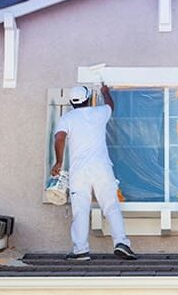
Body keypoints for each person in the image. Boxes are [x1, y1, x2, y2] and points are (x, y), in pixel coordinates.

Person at [51, 84, 137, 261]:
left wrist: (58, 162)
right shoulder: (99, 113)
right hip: (102, 168)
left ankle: (80, 250)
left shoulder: (67, 118)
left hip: (79, 172)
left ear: (71, 102)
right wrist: (106, 93)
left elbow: (59, 137)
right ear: (88, 99)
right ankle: (121, 243)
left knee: (80, 209)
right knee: (111, 206)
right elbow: (110, 106)